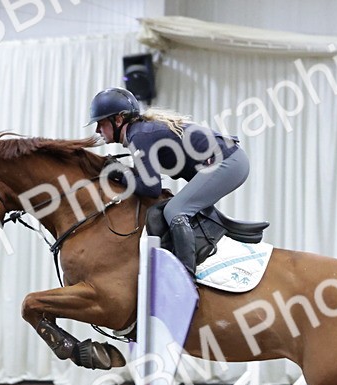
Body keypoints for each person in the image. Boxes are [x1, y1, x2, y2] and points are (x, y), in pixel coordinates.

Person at [87, 86, 249, 272]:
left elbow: (151, 188)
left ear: (118, 119)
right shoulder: (139, 133)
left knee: (176, 209)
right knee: (169, 209)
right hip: (228, 160)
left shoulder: (139, 135)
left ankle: (184, 276)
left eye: (100, 123)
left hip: (229, 161)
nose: (98, 129)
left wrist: (120, 175)